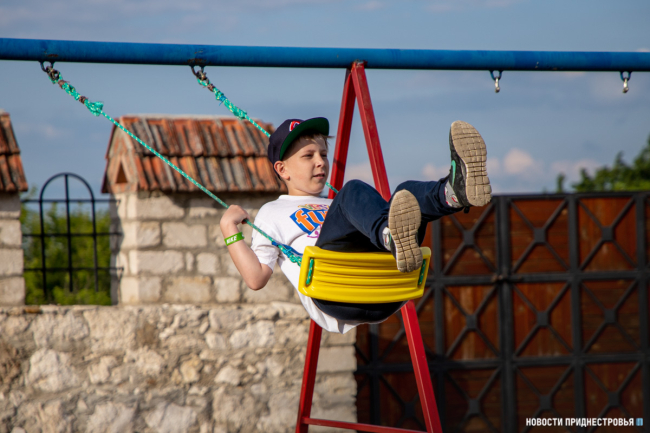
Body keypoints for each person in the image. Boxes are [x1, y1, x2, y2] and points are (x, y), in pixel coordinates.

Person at [219, 117, 491, 333]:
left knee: (404, 193)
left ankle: (452, 193)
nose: (320, 162)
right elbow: (256, 279)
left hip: (385, 292)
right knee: (353, 190)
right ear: (282, 169)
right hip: (335, 293)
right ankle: (390, 237)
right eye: (308, 156)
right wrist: (229, 228)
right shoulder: (273, 211)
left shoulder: (337, 203)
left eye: (323, 154)